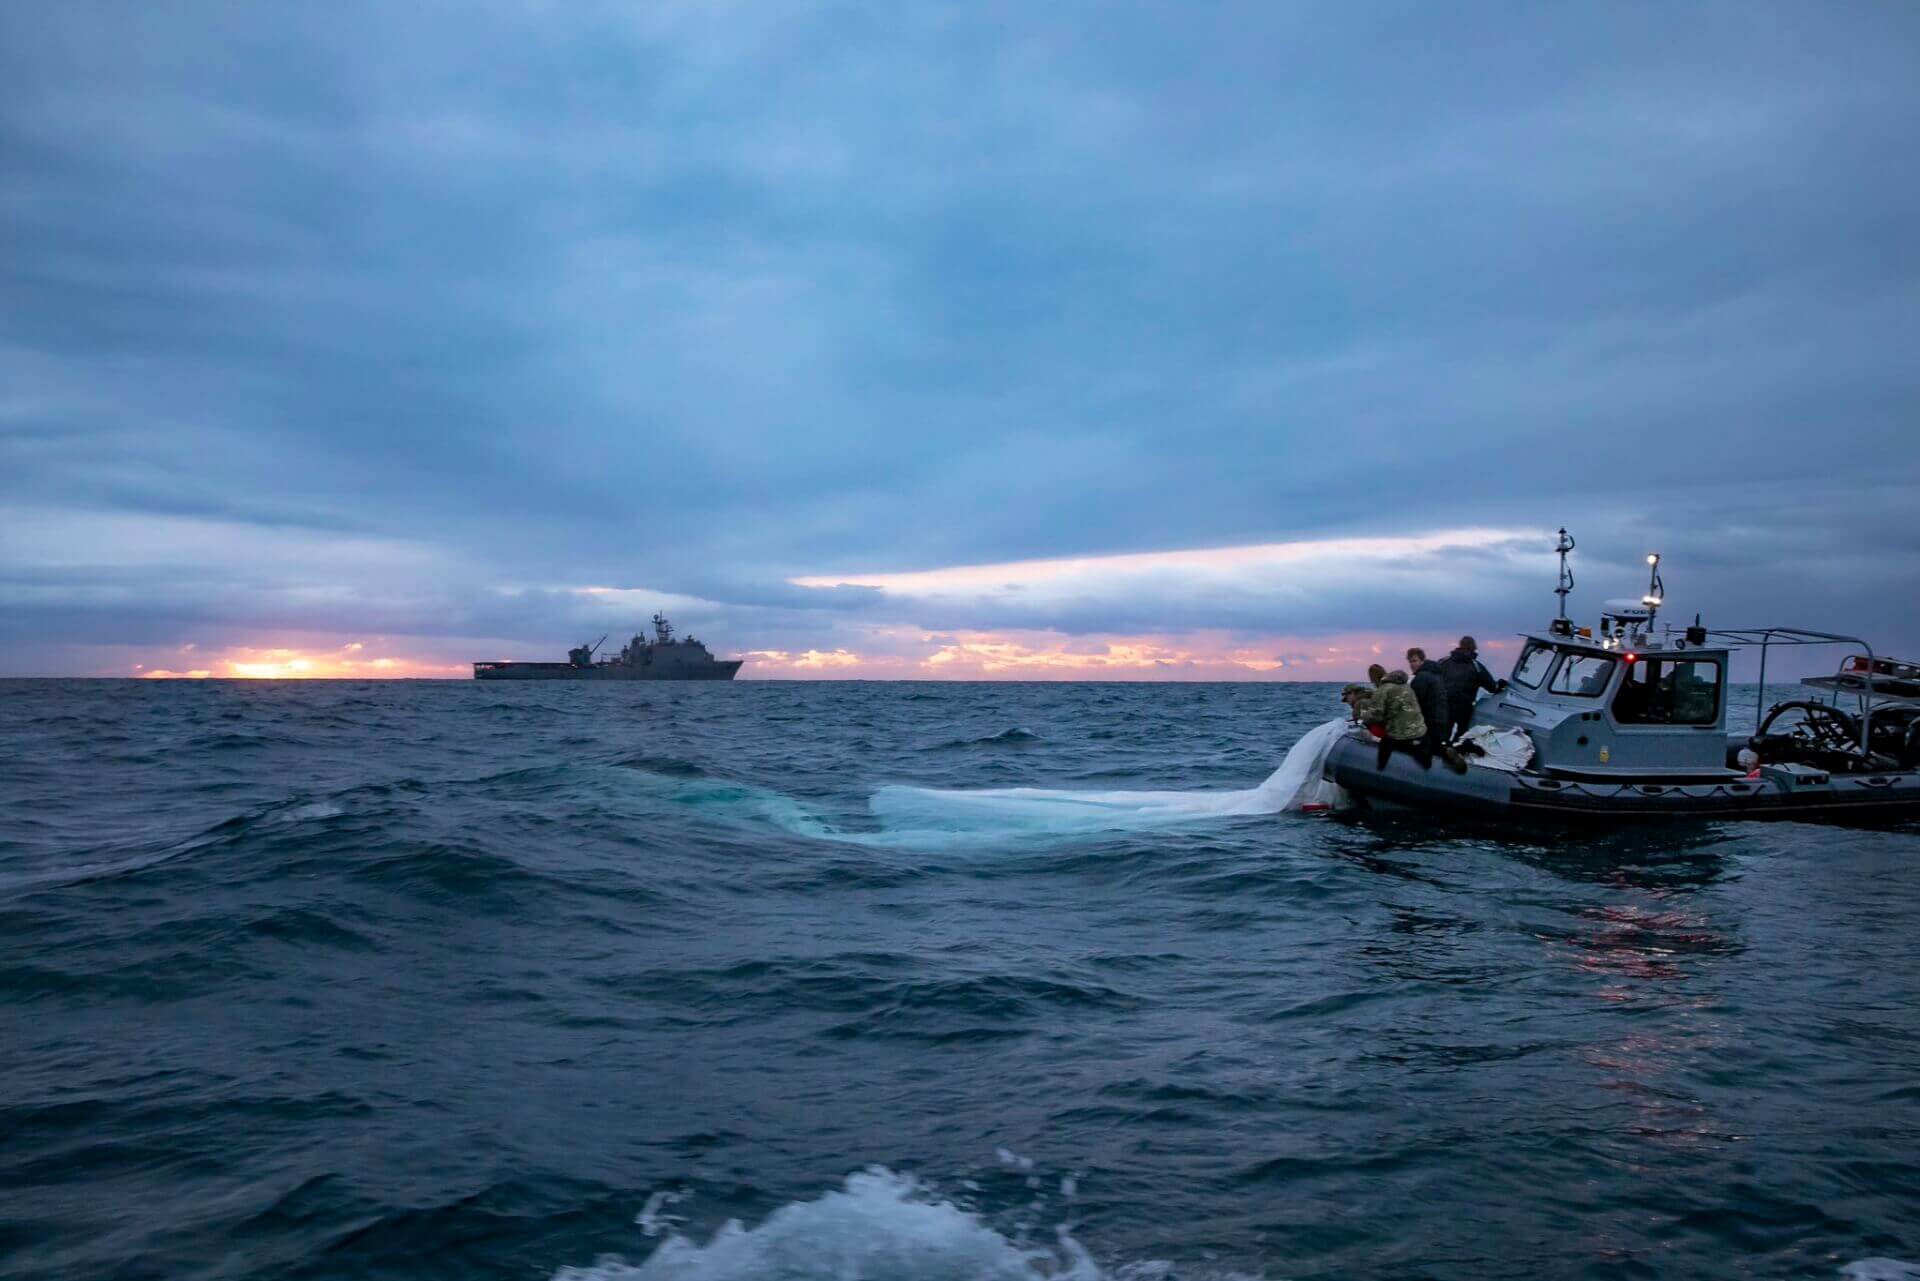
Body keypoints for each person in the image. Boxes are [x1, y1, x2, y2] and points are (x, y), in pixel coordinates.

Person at [1407, 648, 1468, 772]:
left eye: (1414, 661)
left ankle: (1424, 766)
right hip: (1440, 723)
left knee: (1418, 748)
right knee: (1435, 746)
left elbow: (1412, 704)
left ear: (1422, 661)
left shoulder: (1422, 677)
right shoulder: (1436, 675)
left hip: (1428, 723)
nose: (1411, 664)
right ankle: (1447, 753)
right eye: (1410, 661)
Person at [1433, 635, 1504, 738]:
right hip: (1464, 707)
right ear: (1474, 648)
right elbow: (1492, 687)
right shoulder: (1476, 667)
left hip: (1444, 704)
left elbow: (1432, 678)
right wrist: (1500, 685)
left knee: (1443, 733)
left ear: (1460, 646)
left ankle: (1441, 749)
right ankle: (1456, 748)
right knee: (1463, 734)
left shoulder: (1444, 662)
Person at [1364, 664, 1431, 769]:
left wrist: (1364, 716)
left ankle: (1380, 767)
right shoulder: (1403, 686)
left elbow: (1377, 715)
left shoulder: (1383, 690)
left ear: (1373, 679)